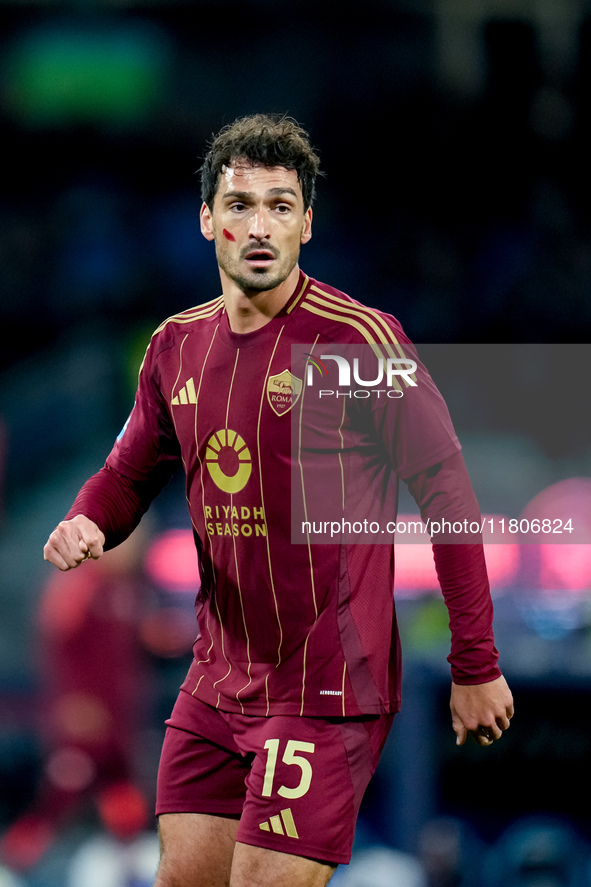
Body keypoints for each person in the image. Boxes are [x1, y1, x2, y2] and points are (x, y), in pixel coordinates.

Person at [43, 114, 514, 887]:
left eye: (280, 205)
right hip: (215, 681)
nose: (259, 224)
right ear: (207, 220)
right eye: (239, 205)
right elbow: (128, 471)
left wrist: (476, 661)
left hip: (325, 686)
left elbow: (446, 493)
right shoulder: (174, 346)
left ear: (306, 223)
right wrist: (88, 518)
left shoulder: (360, 342)